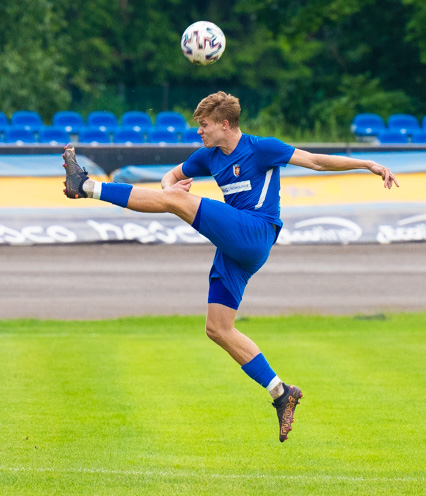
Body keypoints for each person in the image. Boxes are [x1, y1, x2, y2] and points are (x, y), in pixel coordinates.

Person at [62, 91, 398, 442]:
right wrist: (172, 188)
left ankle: (86, 186)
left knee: (176, 204)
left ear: (225, 124)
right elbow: (170, 178)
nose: (199, 132)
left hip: (255, 231)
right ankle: (281, 392)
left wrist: (367, 164)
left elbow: (314, 161)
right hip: (233, 245)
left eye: (204, 125)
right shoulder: (208, 156)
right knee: (218, 329)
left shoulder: (261, 147)